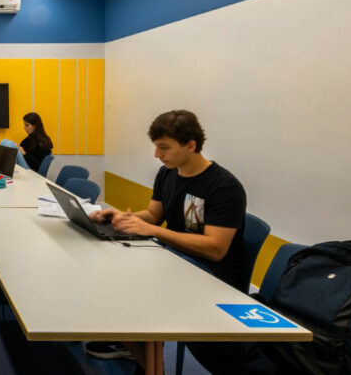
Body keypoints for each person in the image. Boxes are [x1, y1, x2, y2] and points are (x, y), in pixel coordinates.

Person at [84, 110, 251, 374]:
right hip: (174, 258)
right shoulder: (167, 173)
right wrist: (121, 217)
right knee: (116, 261)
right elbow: (153, 215)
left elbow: (215, 249)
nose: (157, 154)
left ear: (191, 145)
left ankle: (141, 348)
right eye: (156, 146)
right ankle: (137, 344)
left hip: (211, 275)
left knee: (131, 275)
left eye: (164, 147)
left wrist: (151, 230)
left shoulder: (224, 187)